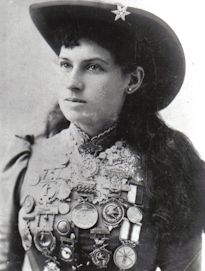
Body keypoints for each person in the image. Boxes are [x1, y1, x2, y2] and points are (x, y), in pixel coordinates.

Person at [0, 1, 204, 270]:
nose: (73, 81)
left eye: (93, 67)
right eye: (65, 64)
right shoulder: (28, 160)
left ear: (132, 80)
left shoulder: (168, 167)